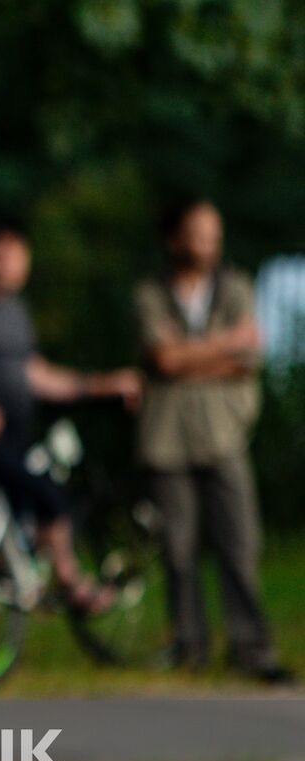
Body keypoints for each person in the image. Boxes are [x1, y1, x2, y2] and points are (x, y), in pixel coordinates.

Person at [0, 214, 142, 612]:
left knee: (7, 526)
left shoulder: (15, 311)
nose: (8, 264)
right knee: (50, 497)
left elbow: (35, 374)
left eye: (16, 255)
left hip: (15, 435)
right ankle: (72, 582)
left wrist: (100, 384)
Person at [134, 199, 293, 683]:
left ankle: (250, 646)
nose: (209, 244)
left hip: (223, 433)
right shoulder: (150, 292)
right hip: (167, 436)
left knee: (239, 541)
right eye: (199, 234)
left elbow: (247, 360)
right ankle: (189, 645)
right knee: (179, 549)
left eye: (214, 234)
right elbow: (162, 360)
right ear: (175, 239)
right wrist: (223, 345)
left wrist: (188, 356)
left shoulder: (236, 287)